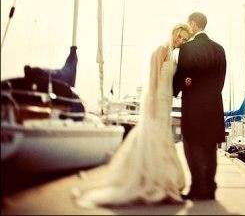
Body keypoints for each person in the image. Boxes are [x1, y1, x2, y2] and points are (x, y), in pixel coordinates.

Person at [73, 23, 193, 208]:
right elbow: (153, 79)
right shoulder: (161, 50)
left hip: (166, 101)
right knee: (154, 139)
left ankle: (160, 181)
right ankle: (153, 182)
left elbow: (172, 81)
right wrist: (152, 104)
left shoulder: (173, 56)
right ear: (174, 33)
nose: (181, 41)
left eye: (185, 39)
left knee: (162, 139)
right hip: (156, 101)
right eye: (179, 36)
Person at [173, 12, 226, 200]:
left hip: (193, 107)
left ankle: (197, 188)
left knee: (192, 146)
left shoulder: (187, 48)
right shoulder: (219, 49)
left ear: (194, 25)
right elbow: (221, 82)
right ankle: (210, 188)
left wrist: (172, 90)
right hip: (213, 107)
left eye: (189, 24)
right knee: (210, 147)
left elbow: (181, 77)